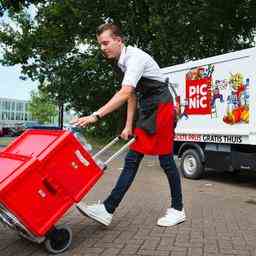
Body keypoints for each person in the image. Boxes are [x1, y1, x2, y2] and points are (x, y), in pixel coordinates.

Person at [72, 23, 185, 227]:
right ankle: (108, 209)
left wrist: (95, 116)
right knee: (132, 160)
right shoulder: (121, 62)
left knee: (166, 161)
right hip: (149, 109)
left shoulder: (135, 58)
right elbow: (132, 94)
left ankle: (178, 209)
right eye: (100, 44)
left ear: (118, 40)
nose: (103, 47)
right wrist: (128, 125)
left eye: (106, 43)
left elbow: (124, 94)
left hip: (162, 108)